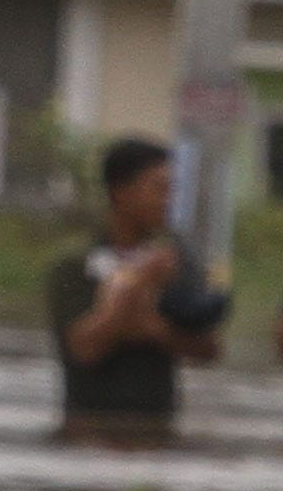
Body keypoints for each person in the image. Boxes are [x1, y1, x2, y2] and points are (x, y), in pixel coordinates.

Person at [43, 136, 221, 441]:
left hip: (157, 430)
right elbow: (82, 348)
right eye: (159, 189)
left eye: (172, 190)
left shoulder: (176, 262)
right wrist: (140, 289)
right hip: (87, 429)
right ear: (122, 192)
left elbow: (208, 349)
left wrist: (153, 330)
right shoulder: (76, 265)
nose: (168, 201)